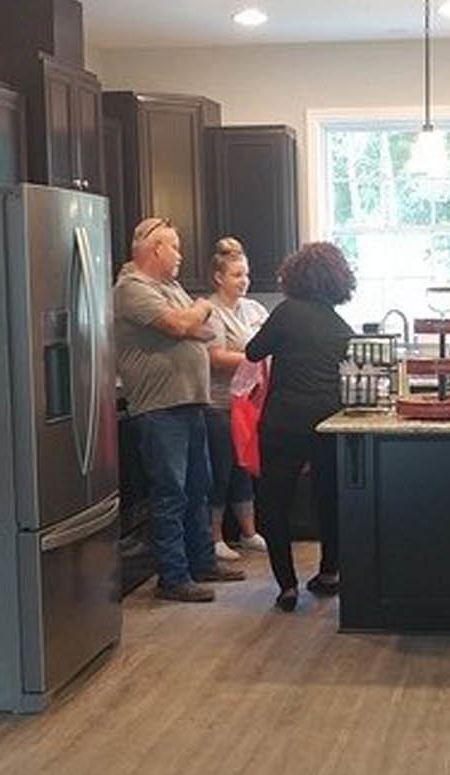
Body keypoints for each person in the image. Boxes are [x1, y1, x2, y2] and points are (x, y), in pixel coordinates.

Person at [113, 217, 247, 602]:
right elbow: (179, 325)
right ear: (156, 249)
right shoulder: (131, 288)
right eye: (175, 247)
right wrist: (199, 310)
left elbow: (202, 331)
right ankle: (173, 577)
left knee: (199, 488)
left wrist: (192, 320)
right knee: (170, 493)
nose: (180, 255)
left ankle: (201, 561)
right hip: (159, 408)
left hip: (188, 402)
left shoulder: (169, 287)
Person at [244, 242, 355, 612]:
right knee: (329, 499)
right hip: (327, 422)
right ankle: (330, 574)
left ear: (294, 275)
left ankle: (287, 586)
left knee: (274, 502)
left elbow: (253, 351)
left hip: (284, 421)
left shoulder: (286, 312)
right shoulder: (340, 325)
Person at [203, 237, 269, 561]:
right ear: (219, 277)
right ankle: (215, 537)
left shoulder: (254, 309)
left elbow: (273, 341)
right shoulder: (210, 311)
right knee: (221, 470)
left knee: (244, 467)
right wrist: (255, 358)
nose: (244, 281)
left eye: (246, 274)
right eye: (236, 275)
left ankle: (248, 532)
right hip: (220, 405)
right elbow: (216, 357)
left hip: (251, 405)